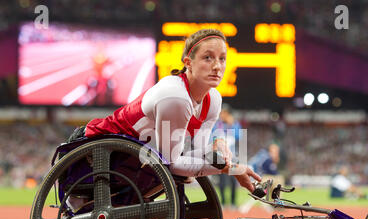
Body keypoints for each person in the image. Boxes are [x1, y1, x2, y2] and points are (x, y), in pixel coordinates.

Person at [76, 28, 261, 193]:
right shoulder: (176, 97)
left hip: (135, 159)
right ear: (188, 62)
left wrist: (217, 143)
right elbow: (172, 164)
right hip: (100, 154)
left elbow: (195, 151)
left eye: (222, 58)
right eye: (207, 57)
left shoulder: (213, 100)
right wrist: (230, 169)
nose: (217, 66)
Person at [212, 105, 242, 209]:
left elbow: (239, 136)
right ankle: (224, 202)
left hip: (232, 157)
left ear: (228, 114)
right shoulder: (217, 124)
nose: (222, 115)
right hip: (220, 157)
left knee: (233, 180)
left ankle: (233, 202)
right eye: (221, 113)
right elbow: (213, 136)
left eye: (224, 113)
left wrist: (232, 125)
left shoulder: (234, 124)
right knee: (222, 181)